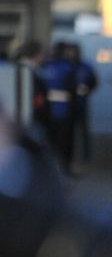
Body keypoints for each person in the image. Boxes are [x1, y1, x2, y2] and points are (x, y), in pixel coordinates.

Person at [33, 42, 96, 173]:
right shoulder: (69, 68)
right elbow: (75, 88)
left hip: (47, 111)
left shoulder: (44, 67)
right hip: (66, 110)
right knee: (66, 141)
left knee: (51, 141)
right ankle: (64, 168)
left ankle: (50, 169)